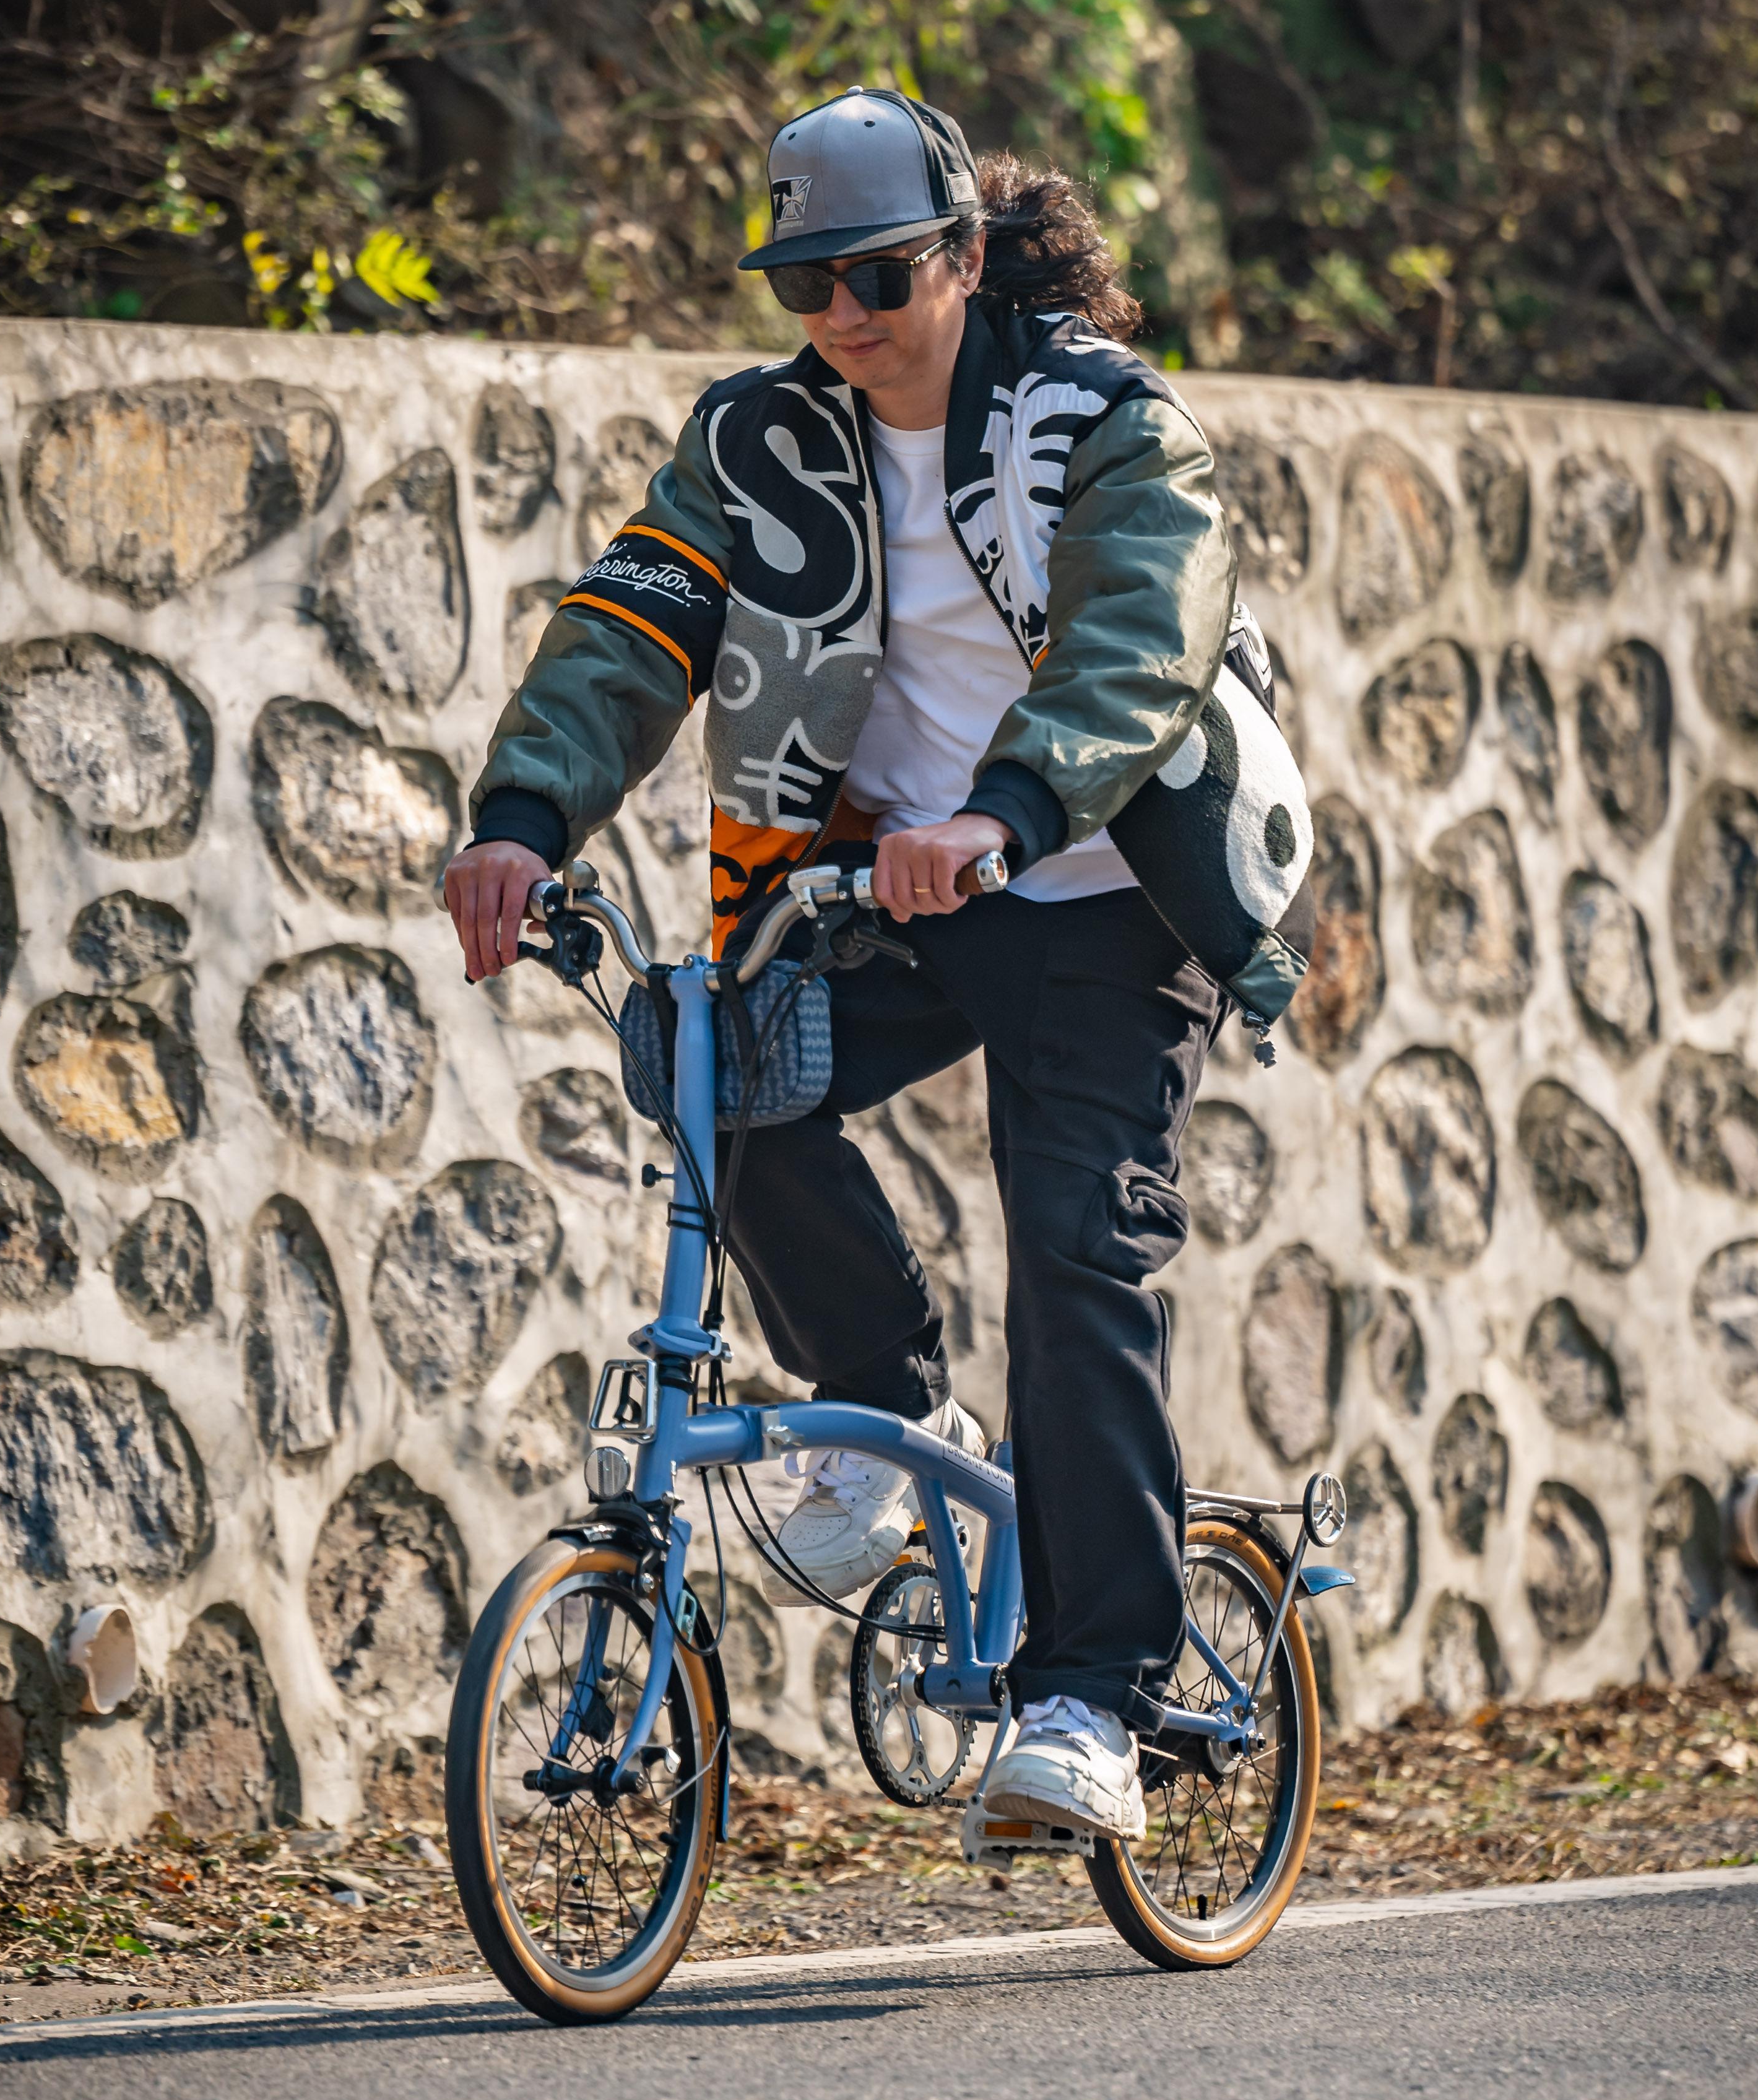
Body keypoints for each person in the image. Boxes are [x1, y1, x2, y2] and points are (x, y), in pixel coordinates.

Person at [444, 89, 1312, 1846]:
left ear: (965, 257)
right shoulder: (761, 436)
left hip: (1098, 892)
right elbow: (636, 622)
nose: (841, 313)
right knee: (715, 1076)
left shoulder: (1111, 424)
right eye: (804, 282)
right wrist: (526, 813)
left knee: (1077, 1257)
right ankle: (887, 1409)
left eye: (877, 273)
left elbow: (1145, 641)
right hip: (886, 896)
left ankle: (1092, 1702)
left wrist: (1001, 811)